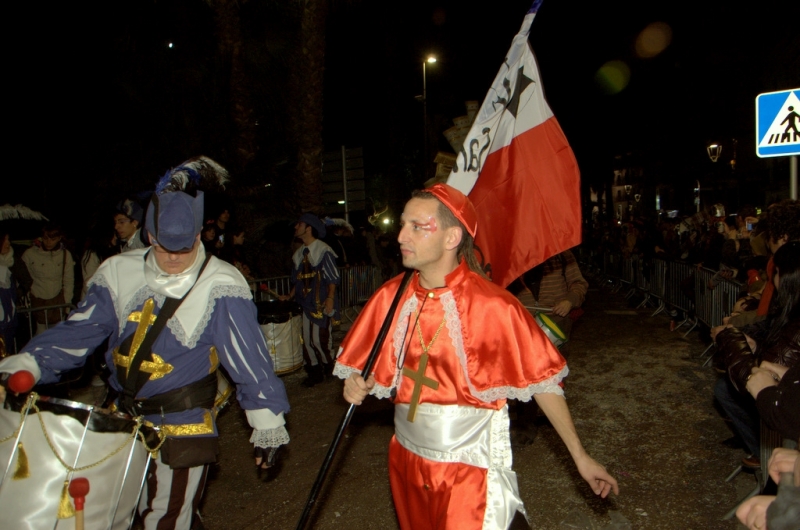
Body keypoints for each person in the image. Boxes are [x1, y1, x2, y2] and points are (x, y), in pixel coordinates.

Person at [0, 157, 290, 529]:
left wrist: (266, 421)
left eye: (183, 249)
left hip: (184, 421)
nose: (172, 258)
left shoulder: (221, 282)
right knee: (115, 513)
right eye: (164, 247)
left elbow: (248, 360)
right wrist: (34, 362)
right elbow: (81, 328)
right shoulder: (119, 271)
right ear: (149, 235)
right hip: (123, 417)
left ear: (200, 235)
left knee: (166, 518)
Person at [336, 184, 618, 529]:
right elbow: (371, 368)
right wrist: (356, 384)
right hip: (406, 461)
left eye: (416, 226)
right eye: (403, 224)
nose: (400, 236)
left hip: (468, 469)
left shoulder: (494, 306)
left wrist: (581, 456)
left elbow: (542, 382)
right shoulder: (390, 296)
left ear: (452, 237)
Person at [280, 213, 340, 387]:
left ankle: (330, 368)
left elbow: (332, 278)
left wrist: (329, 298)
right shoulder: (299, 254)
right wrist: (289, 296)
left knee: (319, 339)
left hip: (320, 302)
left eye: (299, 224)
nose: (295, 227)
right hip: (304, 303)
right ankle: (314, 372)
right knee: (306, 341)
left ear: (309, 227)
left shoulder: (323, 250)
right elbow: (298, 280)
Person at [21, 223, 75, 335]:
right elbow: (24, 279)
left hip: (57, 302)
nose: (48, 242)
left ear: (59, 238)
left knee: (57, 335)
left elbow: (68, 280)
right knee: (40, 335)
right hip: (38, 302)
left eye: (53, 239)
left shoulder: (65, 255)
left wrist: (67, 305)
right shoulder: (30, 254)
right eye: (45, 238)